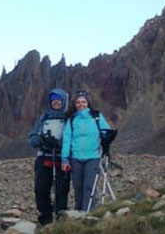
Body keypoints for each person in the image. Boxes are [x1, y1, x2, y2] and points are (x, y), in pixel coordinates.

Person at [61, 91, 111, 212]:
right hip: (75, 158)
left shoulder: (96, 116)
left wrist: (107, 139)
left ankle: (88, 214)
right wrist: (65, 159)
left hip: (93, 157)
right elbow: (67, 139)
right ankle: (79, 213)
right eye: (78, 102)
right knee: (78, 188)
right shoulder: (72, 120)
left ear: (88, 103)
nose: (81, 104)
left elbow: (106, 131)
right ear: (74, 105)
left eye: (83, 102)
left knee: (89, 187)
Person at [28, 88, 71, 226]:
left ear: (63, 101)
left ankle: (60, 216)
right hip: (44, 156)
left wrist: (61, 144)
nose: (56, 102)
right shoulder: (43, 118)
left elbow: (72, 136)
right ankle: (45, 218)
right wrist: (39, 141)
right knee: (41, 189)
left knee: (61, 189)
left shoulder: (68, 118)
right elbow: (33, 136)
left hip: (61, 158)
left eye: (59, 100)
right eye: (53, 100)